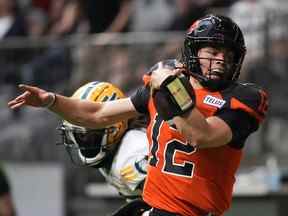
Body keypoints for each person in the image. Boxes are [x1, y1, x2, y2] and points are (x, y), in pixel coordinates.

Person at [8, 14, 269, 216]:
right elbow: (97, 114)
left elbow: (202, 134)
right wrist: (50, 100)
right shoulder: (167, 85)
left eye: (228, 54)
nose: (221, 60)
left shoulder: (244, 97)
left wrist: (171, 88)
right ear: (194, 52)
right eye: (212, 52)